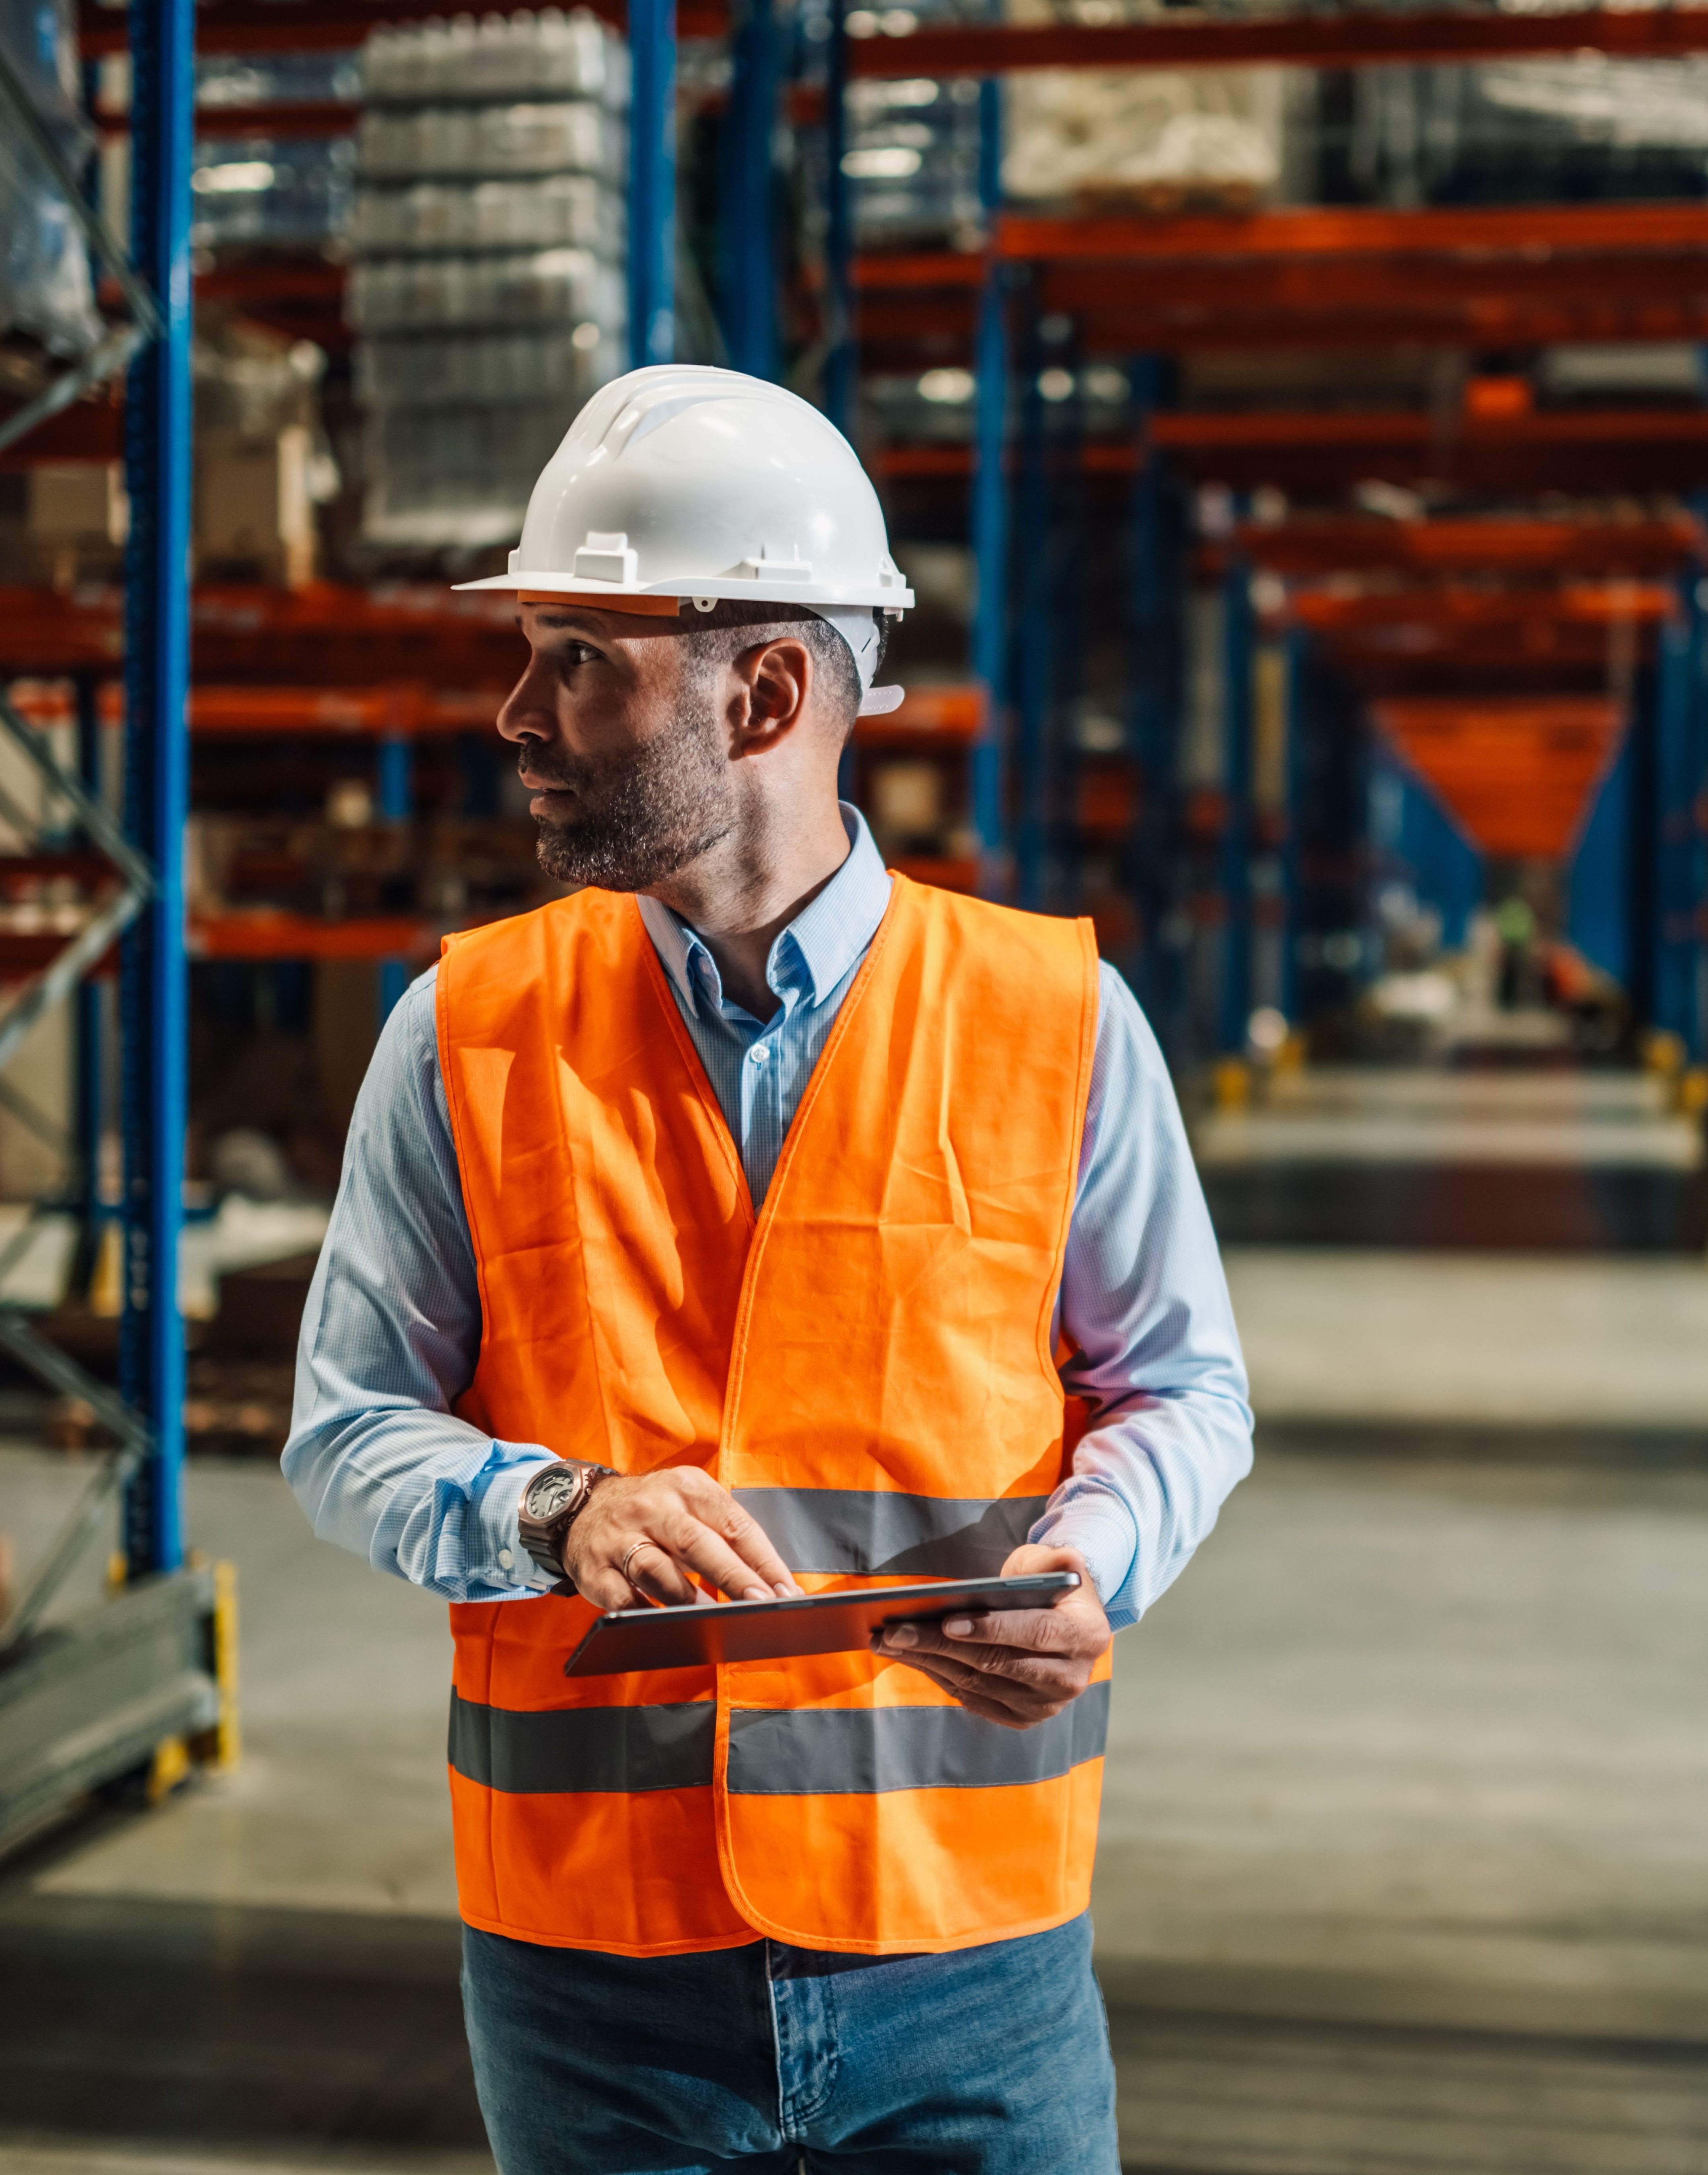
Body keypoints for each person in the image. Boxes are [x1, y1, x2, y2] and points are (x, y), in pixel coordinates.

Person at [282, 364, 1253, 2175]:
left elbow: (1184, 1388)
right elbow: (344, 1429)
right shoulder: (465, 1031)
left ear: (772, 690)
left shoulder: (1055, 1023)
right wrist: (554, 1509)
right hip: (594, 1975)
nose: (517, 711)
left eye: (582, 655)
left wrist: (1090, 1559)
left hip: (968, 1951)